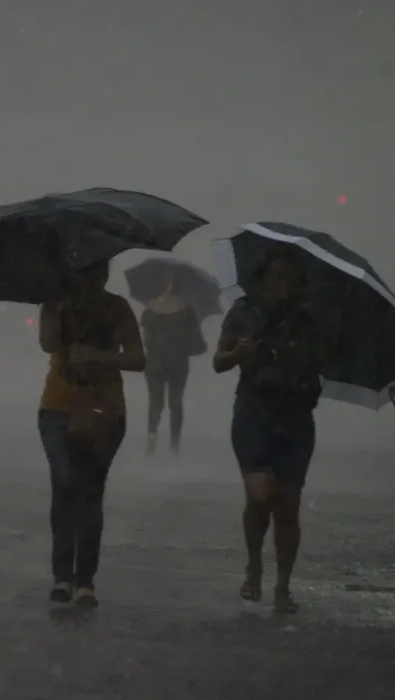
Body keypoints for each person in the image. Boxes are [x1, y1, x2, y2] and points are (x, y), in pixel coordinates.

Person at [212, 249, 327, 613]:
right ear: (263, 278)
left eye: (291, 279)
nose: (284, 285)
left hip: (296, 418)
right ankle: (254, 565)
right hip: (254, 415)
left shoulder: (312, 318)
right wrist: (239, 353)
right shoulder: (244, 313)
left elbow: (325, 362)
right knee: (260, 495)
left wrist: (302, 353)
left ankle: (283, 585)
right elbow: (219, 362)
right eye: (277, 277)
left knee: (288, 508)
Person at [37, 260, 146, 608]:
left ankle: (85, 579)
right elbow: (48, 343)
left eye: (97, 271)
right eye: (83, 271)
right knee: (65, 483)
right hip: (57, 406)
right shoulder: (55, 302)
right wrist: (58, 307)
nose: (91, 279)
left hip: (105, 409)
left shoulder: (117, 308)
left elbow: (137, 358)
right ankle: (62, 576)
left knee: (89, 491)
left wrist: (101, 357)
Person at [140, 282, 207, 455]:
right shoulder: (187, 312)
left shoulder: (150, 310)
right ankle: (174, 444)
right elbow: (198, 344)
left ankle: (152, 436)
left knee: (155, 400)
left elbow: (145, 340)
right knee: (176, 402)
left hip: (154, 362)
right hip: (178, 362)